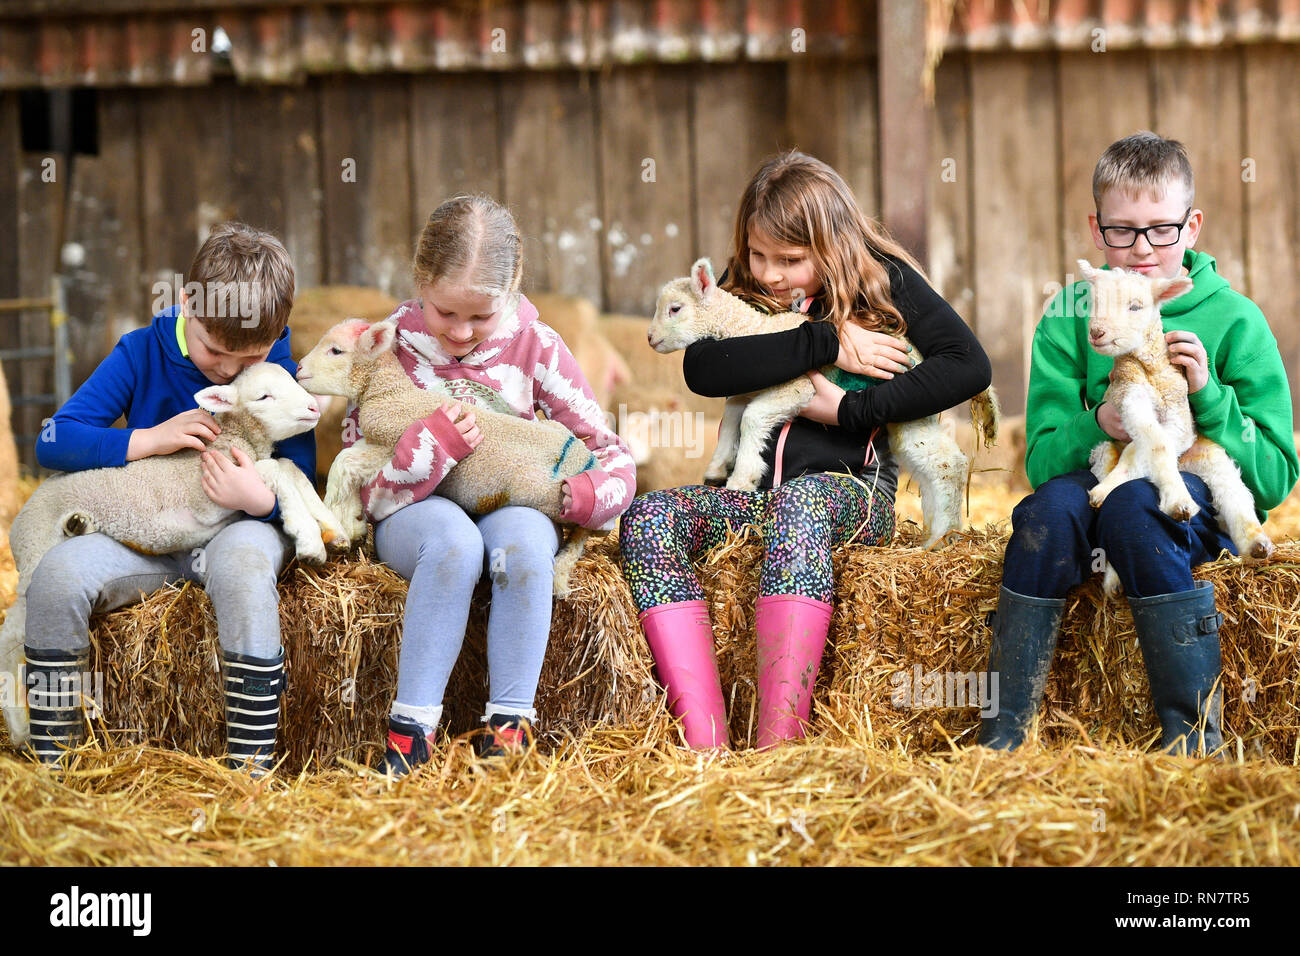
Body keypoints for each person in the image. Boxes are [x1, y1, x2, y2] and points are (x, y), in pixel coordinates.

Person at [619, 150, 992, 750]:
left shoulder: (884, 282)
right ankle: (705, 743)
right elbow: (704, 368)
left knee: (800, 504)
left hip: (848, 496)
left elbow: (968, 366)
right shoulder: (749, 294)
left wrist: (850, 410)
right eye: (757, 255)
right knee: (648, 517)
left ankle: (777, 746)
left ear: (833, 244)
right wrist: (826, 341)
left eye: (790, 260)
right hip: (756, 500)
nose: (769, 273)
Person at [979, 132, 1299, 755]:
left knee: (1135, 510)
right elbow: (1041, 462)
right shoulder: (1071, 318)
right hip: (1104, 468)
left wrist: (1207, 395)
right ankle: (1005, 736)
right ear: (1096, 230)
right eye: (1122, 231)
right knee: (1044, 515)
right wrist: (1099, 421)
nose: (1142, 249)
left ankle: (1193, 736)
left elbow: (1276, 475)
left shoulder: (1236, 320)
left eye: (1161, 228)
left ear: (1193, 225)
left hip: (1194, 483)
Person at [355, 195, 636, 776]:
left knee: (525, 543)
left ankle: (509, 727)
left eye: (480, 317)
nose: (460, 332)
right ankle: (411, 733)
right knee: (455, 545)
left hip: (507, 501)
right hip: (416, 510)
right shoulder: (386, 348)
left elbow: (613, 455)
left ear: (513, 289)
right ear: (419, 281)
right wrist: (431, 449)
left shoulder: (539, 348)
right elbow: (361, 484)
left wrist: (585, 498)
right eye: (444, 313)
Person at [25, 221, 314, 773]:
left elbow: (300, 473)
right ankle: (54, 762)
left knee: (244, 563)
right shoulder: (140, 353)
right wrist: (147, 440)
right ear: (187, 302)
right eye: (214, 350)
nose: (228, 369)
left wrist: (259, 501)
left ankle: (249, 768)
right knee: (60, 574)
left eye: (247, 357)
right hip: (149, 538)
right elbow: (53, 439)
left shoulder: (280, 369)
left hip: (237, 527)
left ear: (277, 334)